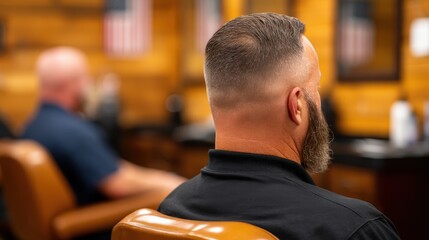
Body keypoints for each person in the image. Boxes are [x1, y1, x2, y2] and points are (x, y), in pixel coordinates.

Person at [158, 13, 400, 240]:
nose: (318, 100)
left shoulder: (171, 210)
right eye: (315, 88)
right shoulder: (354, 229)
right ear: (296, 105)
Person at [21, 47, 185, 209]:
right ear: (72, 84)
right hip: (90, 226)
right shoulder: (73, 132)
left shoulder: (32, 127)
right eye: (86, 78)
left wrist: (162, 177)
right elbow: (118, 184)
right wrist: (172, 184)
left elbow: (112, 168)